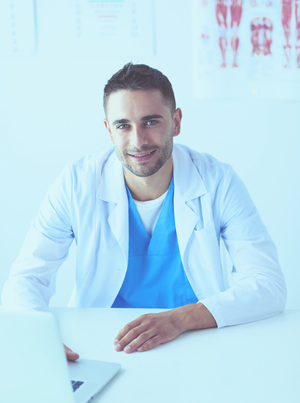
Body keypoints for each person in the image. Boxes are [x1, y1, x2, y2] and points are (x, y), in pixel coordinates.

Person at [2, 63, 286, 360]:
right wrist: (36, 338)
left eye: (151, 122)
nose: (138, 141)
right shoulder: (76, 184)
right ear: (108, 130)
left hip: (197, 342)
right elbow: (26, 278)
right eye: (123, 125)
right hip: (102, 346)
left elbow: (267, 285)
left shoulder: (218, 182)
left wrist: (180, 319)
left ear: (176, 122)